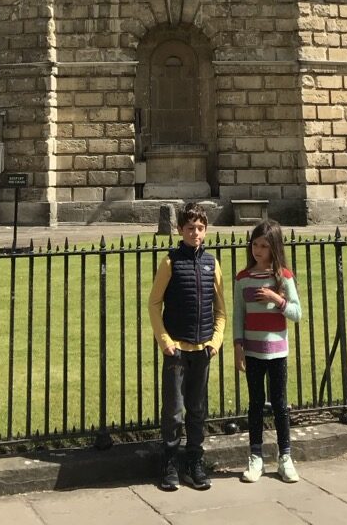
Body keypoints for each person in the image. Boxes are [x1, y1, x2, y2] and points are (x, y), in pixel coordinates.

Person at [148, 201, 225, 492]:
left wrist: (215, 342)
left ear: (205, 231)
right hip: (177, 350)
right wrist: (165, 342)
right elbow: (154, 303)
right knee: (174, 411)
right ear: (180, 230)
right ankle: (169, 463)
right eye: (190, 228)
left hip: (203, 349)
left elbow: (221, 310)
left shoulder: (211, 263)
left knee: (197, 409)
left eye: (200, 228)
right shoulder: (170, 262)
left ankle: (194, 462)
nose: (196, 233)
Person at [233, 219, 302, 484]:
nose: (258, 250)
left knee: (280, 405)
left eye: (263, 246)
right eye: (255, 245)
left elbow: (297, 312)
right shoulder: (243, 278)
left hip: (277, 351)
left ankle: (285, 457)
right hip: (252, 350)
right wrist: (238, 347)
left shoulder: (283, 276)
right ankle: (256, 457)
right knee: (255, 405)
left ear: (274, 248)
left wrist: (277, 299)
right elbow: (239, 315)